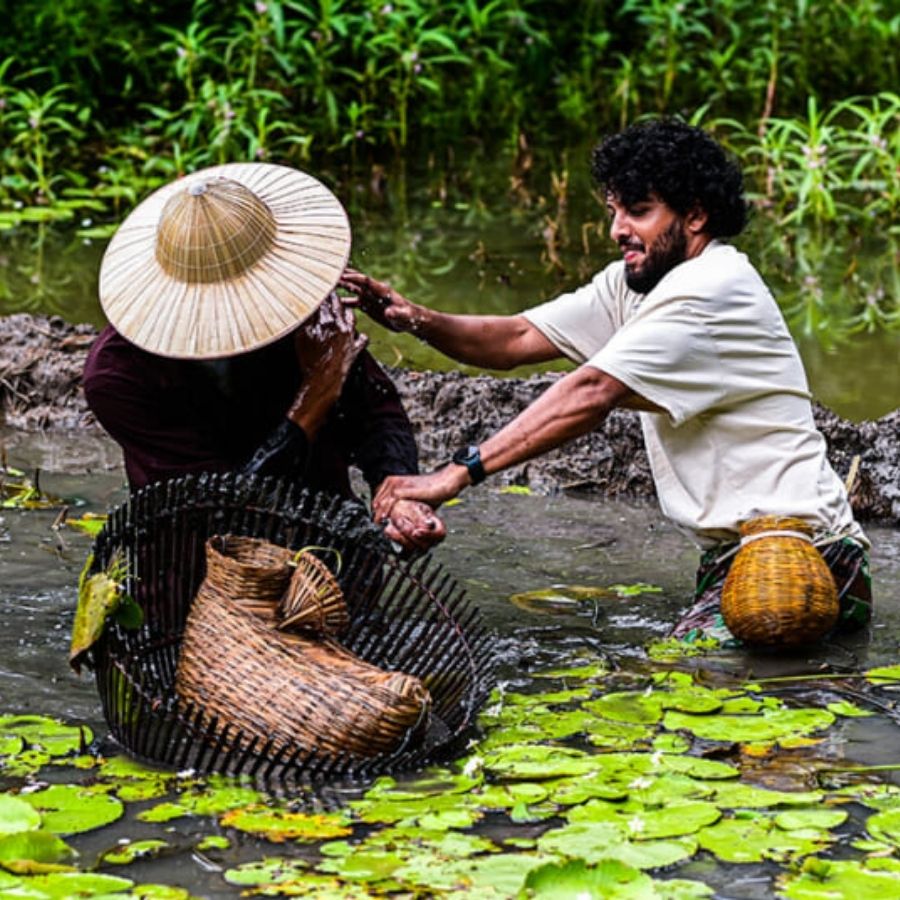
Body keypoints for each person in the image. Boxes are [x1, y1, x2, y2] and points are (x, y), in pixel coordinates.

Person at [341, 119, 872, 643]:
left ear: (695, 215)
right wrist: (415, 318)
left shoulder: (711, 287)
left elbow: (592, 391)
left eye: (638, 212)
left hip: (807, 557)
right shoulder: (634, 285)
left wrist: (455, 474)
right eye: (614, 211)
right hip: (736, 561)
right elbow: (517, 338)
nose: (617, 229)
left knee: (679, 675)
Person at [84, 162, 444, 555]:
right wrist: (316, 394)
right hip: (199, 569)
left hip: (329, 548)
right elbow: (220, 510)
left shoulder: (302, 310)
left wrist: (398, 492)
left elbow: (376, 410)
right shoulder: (120, 373)